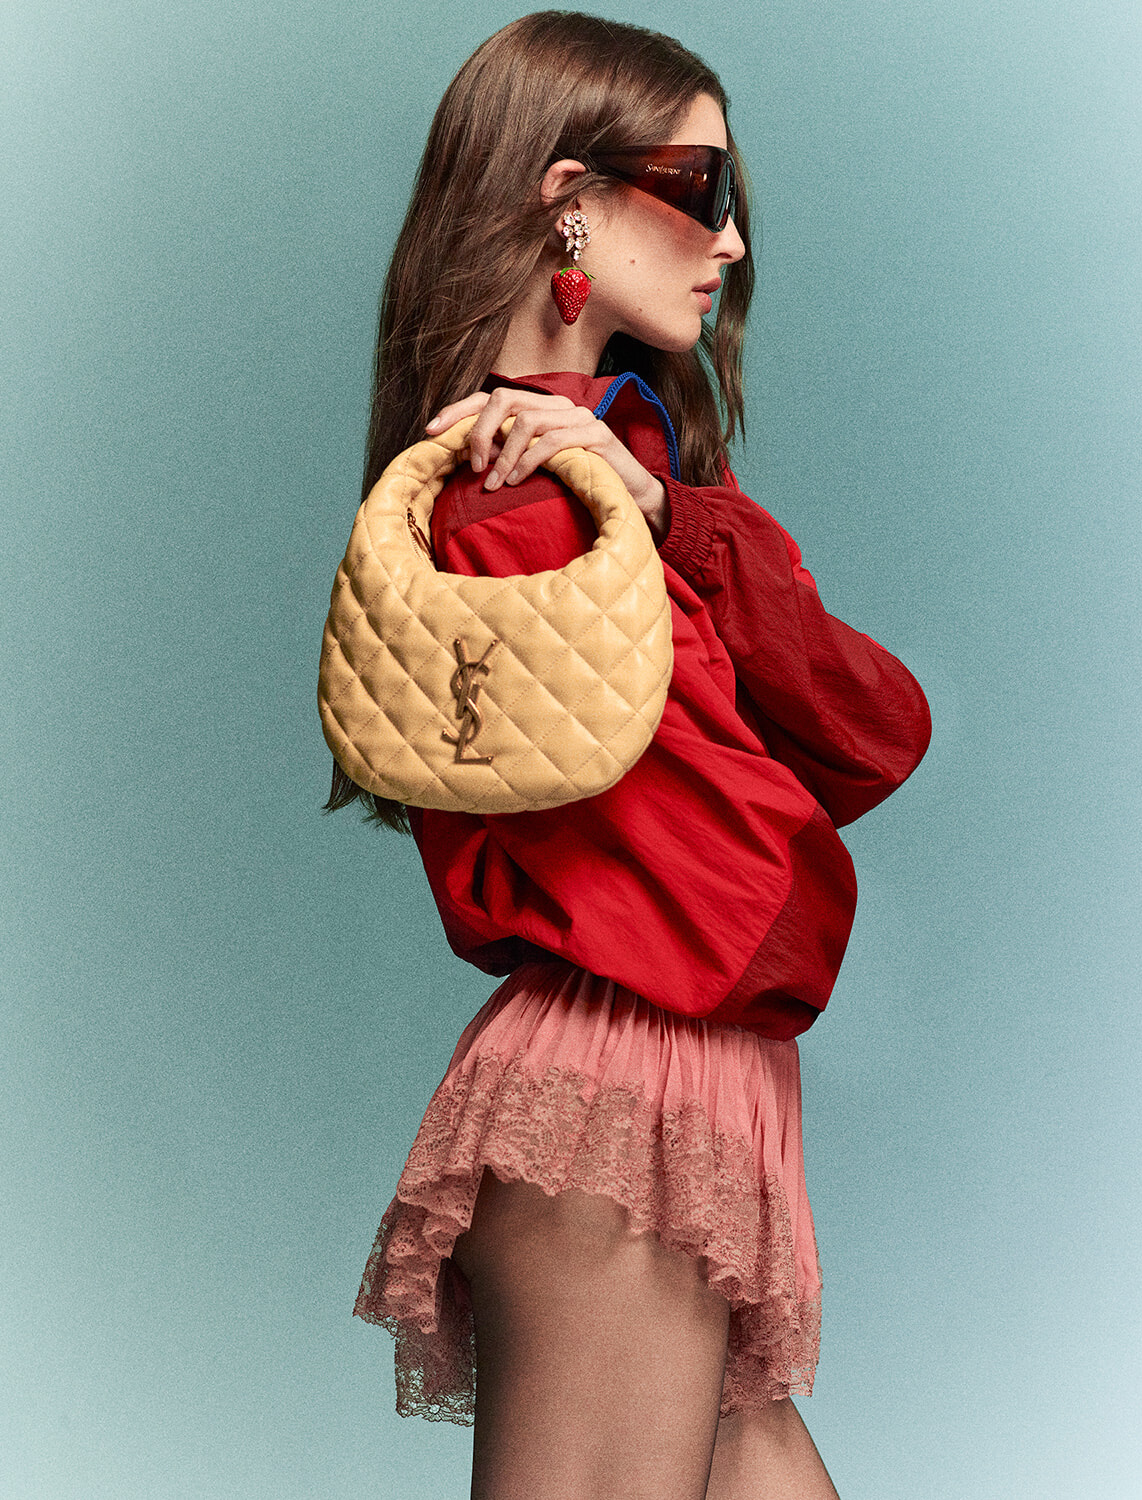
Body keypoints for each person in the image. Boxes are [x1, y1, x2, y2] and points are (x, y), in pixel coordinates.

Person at [326, 13, 931, 1498]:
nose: (733, 240)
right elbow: (746, 872)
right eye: (702, 188)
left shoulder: (631, 491)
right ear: (570, 203)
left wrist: (668, 516)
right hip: (621, 1101)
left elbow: (877, 728)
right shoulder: (503, 510)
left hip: (680, 1093)